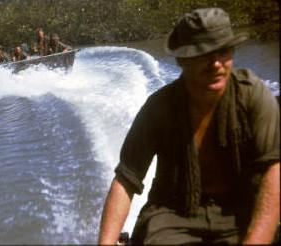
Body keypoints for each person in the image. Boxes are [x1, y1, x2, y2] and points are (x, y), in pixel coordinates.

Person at [99, 7, 279, 245]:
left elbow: (273, 170)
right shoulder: (159, 108)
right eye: (204, 54)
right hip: (173, 216)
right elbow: (125, 180)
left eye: (222, 51)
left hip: (240, 209)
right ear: (183, 60)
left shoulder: (252, 95)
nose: (216, 63)